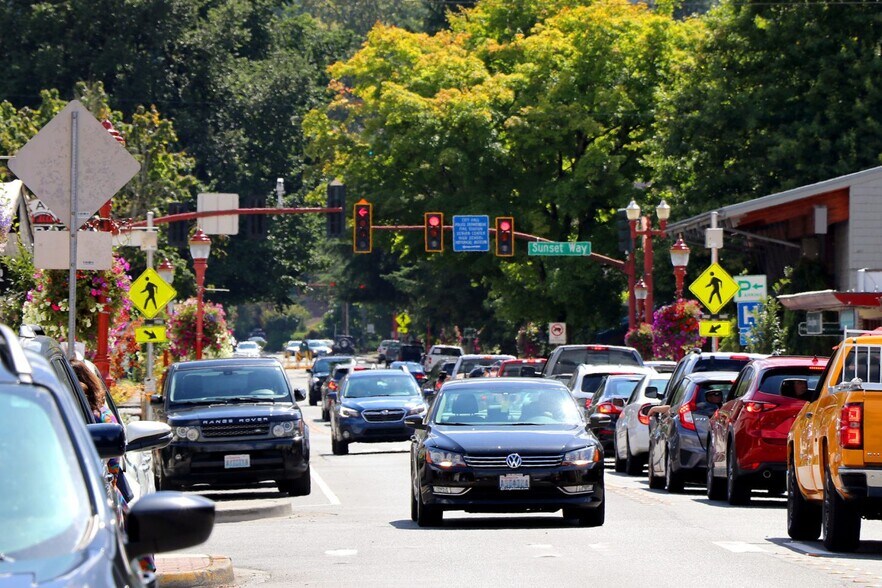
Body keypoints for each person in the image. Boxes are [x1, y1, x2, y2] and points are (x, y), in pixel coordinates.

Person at [70, 359, 157, 579]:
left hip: (108, 485)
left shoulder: (100, 417)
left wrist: (112, 477)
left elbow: (113, 461)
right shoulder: (86, 414)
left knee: (129, 531)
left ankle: (143, 572)